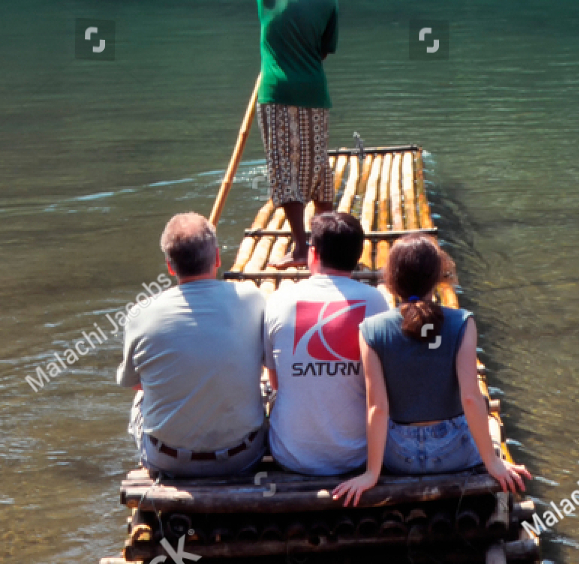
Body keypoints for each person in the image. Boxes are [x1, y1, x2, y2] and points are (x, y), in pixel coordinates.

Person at [333, 234, 531, 505]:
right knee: (485, 414)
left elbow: (377, 408)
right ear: (439, 276)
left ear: (391, 279)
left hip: (399, 457)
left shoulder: (370, 329)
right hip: (454, 452)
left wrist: (371, 473)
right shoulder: (462, 322)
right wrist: (493, 463)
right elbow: (471, 398)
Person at [117, 213, 268, 478]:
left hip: (170, 461)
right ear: (218, 258)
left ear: (170, 267)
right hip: (242, 457)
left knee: (141, 396)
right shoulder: (252, 299)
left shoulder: (141, 314)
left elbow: (134, 382)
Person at [262, 210, 388, 475]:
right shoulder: (376, 302)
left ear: (313, 253)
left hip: (290, 454)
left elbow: (275, 382)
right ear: (357, 257)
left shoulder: (278, 300)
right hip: (358, 455)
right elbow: (382, 384)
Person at [255, 0, 339, 269]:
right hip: (315, 93)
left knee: (284, 167)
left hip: (277, 93)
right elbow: (323, 51)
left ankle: (302, 249)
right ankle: (327, 248)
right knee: (317, 166)